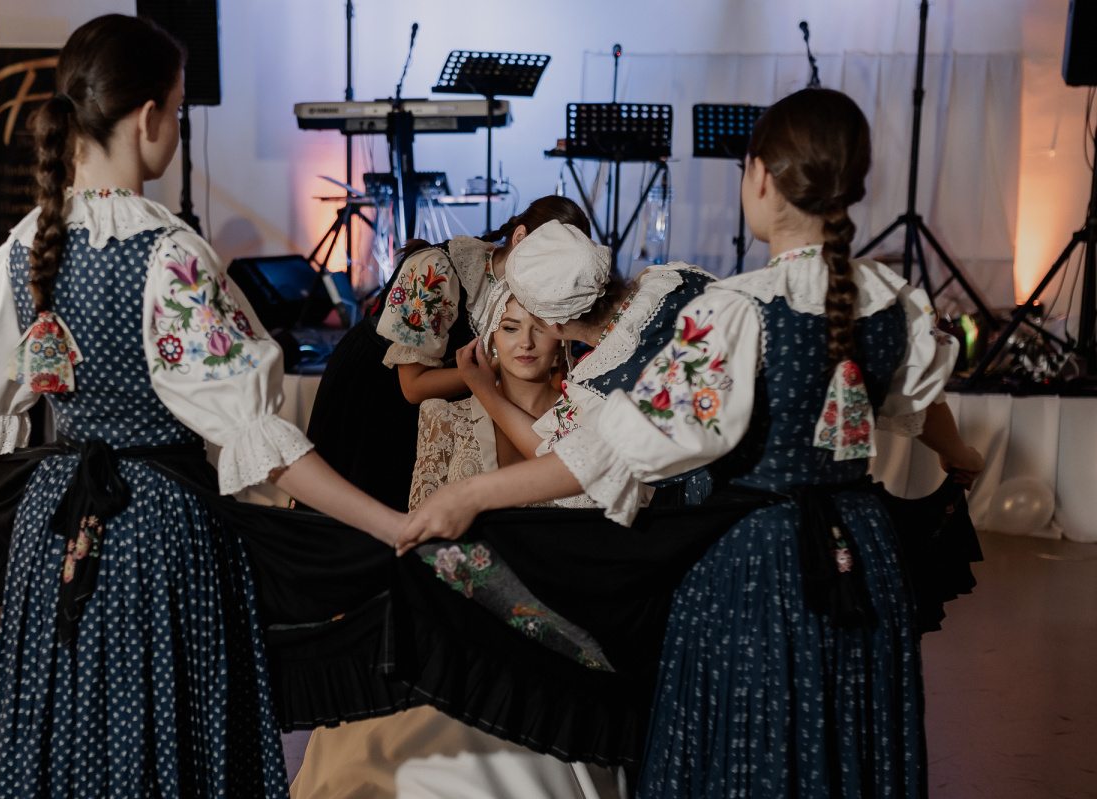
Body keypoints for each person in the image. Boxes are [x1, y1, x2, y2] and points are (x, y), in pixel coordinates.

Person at [396, 88, 985, 798]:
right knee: (845, 740)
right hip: (863, 556)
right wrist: (961, 458)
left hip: (764, 563)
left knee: (751, 744)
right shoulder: (890, 299)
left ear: (760, 177)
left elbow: (609, 453)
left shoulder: (735, 312)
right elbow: (920, 402)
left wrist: (469, 494)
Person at [0, 15, 403, 798]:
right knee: (164, 727)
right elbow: (258, 439)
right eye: (177, 109)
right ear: (147, 118)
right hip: (157, 536)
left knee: (70, 723)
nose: (175, 125)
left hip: (54, 532)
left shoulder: (21, 248)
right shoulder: (170, 256)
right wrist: (391, 525)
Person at [291, 294, 620, 799]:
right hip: (459, 607)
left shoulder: (590, 425)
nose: (526, 342)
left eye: (540, 327)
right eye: (510, 327)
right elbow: (423, 532)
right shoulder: (444, 416)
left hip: (554, 612)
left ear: (564, 340)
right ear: (490, 338)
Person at [303, 196, 590, 510]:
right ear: (520, 238)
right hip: (376, 388)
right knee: (365, 506)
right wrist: (498, 367)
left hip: (447, 395)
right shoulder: (436, 270)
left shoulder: (527, 287)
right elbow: (413, 387)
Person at [460, 219, 717, 506]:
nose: (526, 341)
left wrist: (484, 391)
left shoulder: (600, 389)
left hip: (709, 501)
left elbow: (565, 467)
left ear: (554, 325)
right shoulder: (681, 280)